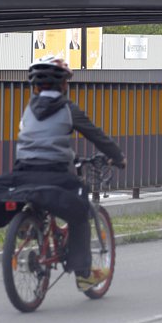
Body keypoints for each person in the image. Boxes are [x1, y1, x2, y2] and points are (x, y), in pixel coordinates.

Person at [15, 55, 125, 290]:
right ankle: (84, 273)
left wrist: (70, 156)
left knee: (39, 199)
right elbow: (97, 136)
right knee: (80, 211)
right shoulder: (68, 109)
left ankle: (31, 225)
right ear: (64, 84)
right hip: (55, 173)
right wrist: (117, 157)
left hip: (22, 171)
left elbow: (42, 141)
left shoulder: (28, 110)